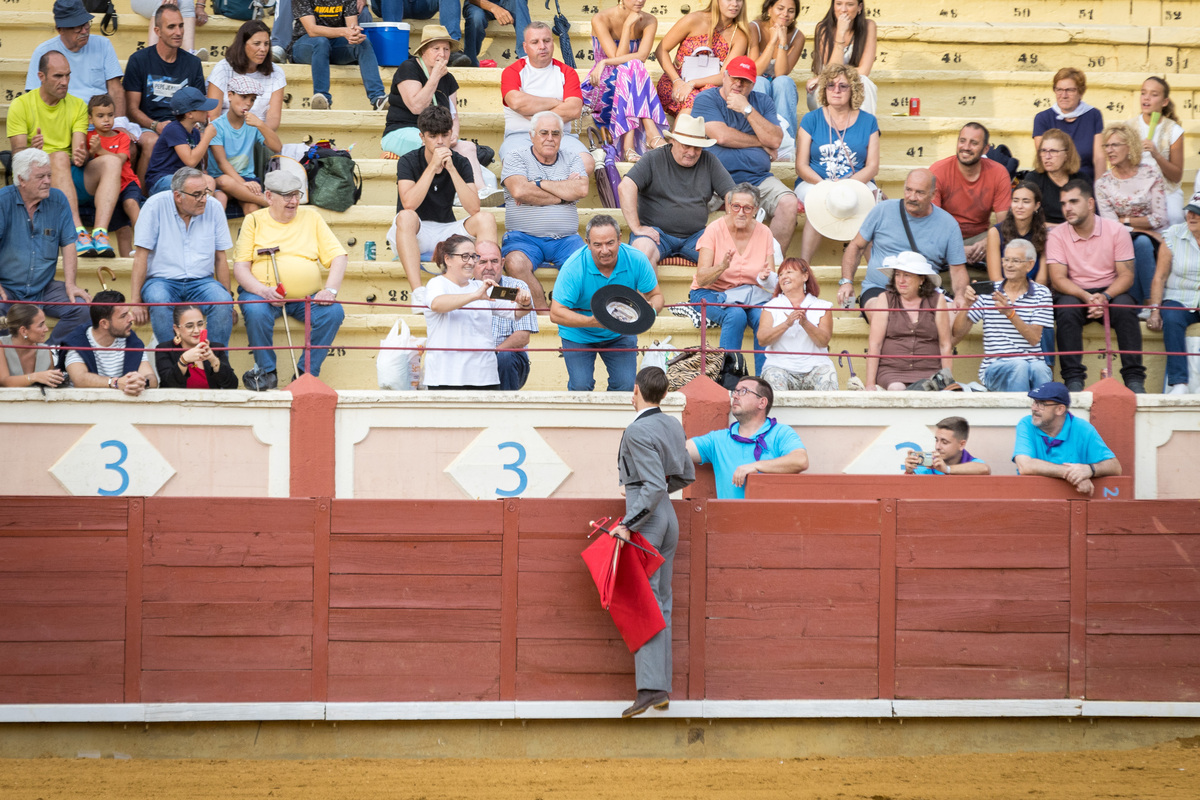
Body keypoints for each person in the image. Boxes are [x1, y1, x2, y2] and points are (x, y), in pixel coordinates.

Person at [611, 366, 695, 718]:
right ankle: (658, 688)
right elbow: (683, 475)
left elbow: (654, 485)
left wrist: (628, 522)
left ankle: (649, 689)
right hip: (668, 518)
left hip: (646, 519)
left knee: (644, 603)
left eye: (632, 392)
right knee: (660, 602)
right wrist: (654, 497)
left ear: (638, 391)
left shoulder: (637, 430)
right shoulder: (672, 424)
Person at [232, 170, 347, 389]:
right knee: (255, 310)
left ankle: (306, 374)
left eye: (296, 194)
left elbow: (339, 256)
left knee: (333, 312)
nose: (294, 201)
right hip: (263, 294)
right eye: (287, 196)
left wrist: (330, 290)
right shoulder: (253, 221)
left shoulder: (311, 217)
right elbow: (241, 268)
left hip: (306, 297)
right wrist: (263, 291)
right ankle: (266, 372)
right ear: (269, 197)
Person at [8, 51, 123, 258]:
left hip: (71, 176)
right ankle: (77, 232)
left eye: (68, 75)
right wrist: (32, 151)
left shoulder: (78, 104)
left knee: (112, 162)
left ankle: (100, 234)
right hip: (39, 179)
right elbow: (16, 154)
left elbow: (79, 148)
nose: (65, 81)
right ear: (41, 77)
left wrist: (82, 155)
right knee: (59, 157)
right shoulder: (21, 104)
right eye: (58, 76)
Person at [388, 106, 497, 306]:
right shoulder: (408, 161)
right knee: (406, 216)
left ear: (451, 136)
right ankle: (418, 292)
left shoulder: (460, 162)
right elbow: (409, 203)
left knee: (486, 219)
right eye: (433, 136)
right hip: (413, 232)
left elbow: (474, 208)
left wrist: (452, 169)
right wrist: (432, 167)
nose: (439, 141)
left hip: (445, 231)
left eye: (444, 135)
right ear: (422, 137)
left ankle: (481, 287)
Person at [1046, 179, 1145, 393]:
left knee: (1125, 308)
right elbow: (1058, 279)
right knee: (1066, 308)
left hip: (1111, 291)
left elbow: (1127, 275)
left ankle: (1135, 380)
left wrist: (1105, 296)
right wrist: (1086, 296)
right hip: (1075, 291)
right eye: (1063, 204)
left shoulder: (1116, 231)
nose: (1067, 208)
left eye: (1073, 201)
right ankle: (1073, 382)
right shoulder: (1056, 235)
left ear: (1090, 203)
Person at [693, 57, 798, 253]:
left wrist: (747, 109)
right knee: (684, 201)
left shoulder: (762, 101)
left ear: (753, 83)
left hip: (757, 179)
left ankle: (769, 265)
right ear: (724, 76)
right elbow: (722, 136)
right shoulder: (706, 99)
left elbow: (775, 140)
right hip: (714, 181)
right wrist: (760, 141)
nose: (738, 84)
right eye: (734, 78)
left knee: (789, 203)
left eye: (745, 80)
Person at [550, 215, 663, 392]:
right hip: (579, 334)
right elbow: (556, 312)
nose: (604, 250)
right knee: (581, 387)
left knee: (626, 387)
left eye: (610, 243)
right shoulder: (573, 267)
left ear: (620, 239)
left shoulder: (636, 259)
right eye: (597, 244)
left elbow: (656, 295)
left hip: (621, 332)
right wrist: (591, 322)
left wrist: (650, 312)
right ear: (587, 243)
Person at [381, 25, 493, 198]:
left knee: (468, 147)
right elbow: (417, 106)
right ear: (423, 51)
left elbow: (453, 116)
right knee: (438, 148)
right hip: (402, 131)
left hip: (437, 135)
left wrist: (453, 134)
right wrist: (434, 77)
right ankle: (453, 194)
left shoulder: (449, 79)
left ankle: (481, 191)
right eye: (436, 49)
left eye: (446, 49)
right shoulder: (409, 68)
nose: (442, 54)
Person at [131, 167, 235, 348]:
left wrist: (229, 302)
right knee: (159, 300)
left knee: (222, 302)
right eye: (197, 194)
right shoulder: (154, 206)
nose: (204, 199)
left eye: (206, 192)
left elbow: (221, 258)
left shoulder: (214, 207)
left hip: (202, 281)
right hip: (161, 281)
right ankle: (172, 365)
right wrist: (135, 302)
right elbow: (141, 256)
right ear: (178, 196)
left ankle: (217, 366)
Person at [838, 168, 968, 308]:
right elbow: (856, 246)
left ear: (933, 194)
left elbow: (957, 269)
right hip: (880, 290)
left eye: (919, 192)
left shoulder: (948, 224)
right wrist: (846, 282)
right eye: (908, 190)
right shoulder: (882, 210)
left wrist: (960, 296)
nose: (912, 197)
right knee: (883, 314)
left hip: (923, 293)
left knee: (953, 316)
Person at [500, 110, 589, 313]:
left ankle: (564, 309)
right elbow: (520, 190)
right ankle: (542, 312)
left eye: (555, 133)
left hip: (566, 239)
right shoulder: (515, 157)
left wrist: (538, 183)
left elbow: (581, 190)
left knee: (588, 262)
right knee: (514, 263)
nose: (550, 138)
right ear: (531, 135)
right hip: (524, 238)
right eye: (544, 133)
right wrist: (564, 194)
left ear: (562, 137)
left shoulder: (573, 158)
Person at [0, 149, 91, 346]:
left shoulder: (58, 199)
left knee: (83, 308)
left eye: (49, 175)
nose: (48, 181)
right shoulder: (2, 200)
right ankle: (9, 360)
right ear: (21, 179)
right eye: (40, 176)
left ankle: (48, 352)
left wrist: (70, 284)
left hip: (44, 287)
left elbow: (68, 243)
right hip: (7, 287)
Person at [619, 116, 734, 270]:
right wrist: (636, 227)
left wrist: (729, 224)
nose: (692, 152)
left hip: (696, 236)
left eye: (697, 147)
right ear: (673, 141)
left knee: (727, 255)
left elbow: (733, 195)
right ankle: (650, 295)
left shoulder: (709, 161)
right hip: (656, 235)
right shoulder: (654, 158)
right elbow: (625, 187)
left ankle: (703, 294)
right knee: (641, 253)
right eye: (686, 146)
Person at [794, 63, 879, 263]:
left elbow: (872, 166)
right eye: (831, 85)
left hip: (857, 181)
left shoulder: (868, 122)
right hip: (814, 181)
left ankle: (875, 272)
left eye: (843, 86)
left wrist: (847, 185)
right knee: (818, 201)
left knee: (867, 205)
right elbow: (801, 166)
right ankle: (804, 267)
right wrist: (824, 185)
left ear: (854, 90)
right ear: (824, 89)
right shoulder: (810, 119)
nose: (836, 90)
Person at [424, 235, 532, 390]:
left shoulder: (480, 287)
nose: (470, 262)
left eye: (473, 256)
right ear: (447, 259)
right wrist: (475, 296)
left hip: (484, 375)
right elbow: (437, 304)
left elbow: (516, 312)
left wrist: (525, 302)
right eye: (464, 256)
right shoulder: (437, 284)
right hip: (446, 375)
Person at [692, 183, 776, 374]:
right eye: (736, 206)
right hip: (710, 292)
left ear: (755, 210)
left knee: (764, 317)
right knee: (736, 315)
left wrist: (766, 277)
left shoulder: (765, 232)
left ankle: (764, 379)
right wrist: (721, 267)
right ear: (728, 207)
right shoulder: (714, 230)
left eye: (747, 208)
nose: (741, 212)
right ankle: (728, 377)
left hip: (750, 296)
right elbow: (702, 278)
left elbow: (772, 283)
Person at [953, 239, 1055, 392]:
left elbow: (1034, 338)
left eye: (1015, 260)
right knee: (1019, 365)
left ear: (1030, 265)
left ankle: (1042, 413)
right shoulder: (989, 291)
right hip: (995, 366)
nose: (1008, 265)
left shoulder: (1041, 293)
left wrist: (1010, 313)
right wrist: (967, 305)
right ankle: (1020, 414)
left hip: (1032, 362)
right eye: (1006, 259)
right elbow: (958, 332)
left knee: (1040, 368)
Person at [123, 5, 207, 184]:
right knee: (152, 142)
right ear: (157, 30)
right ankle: (143, 195)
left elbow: (199, 106)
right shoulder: (139, 60)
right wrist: (156, 125)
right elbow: (131, 109)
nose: (178, 32)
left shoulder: (192, 63)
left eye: (181, 25)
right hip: (148, 125)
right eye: (171, 27)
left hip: (184, 125)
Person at [686, 375, 807, 499]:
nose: (735, 396)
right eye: (735, 391)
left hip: (770, 516)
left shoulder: (780, 433)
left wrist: (756, 466)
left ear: (762, 402)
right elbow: (682, 450)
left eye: (743, 391)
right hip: (728, 517)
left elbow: (800, 461)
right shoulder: (718, 439)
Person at [584, 0, 667, 161]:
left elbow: (642, 56)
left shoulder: (650, 21)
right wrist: (627, 27)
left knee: (634, 66)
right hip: (602, 86)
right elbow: (619, 58)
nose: (640, 0)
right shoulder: (600, 18)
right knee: (632, 66)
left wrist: (605, 61)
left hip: (630, 83)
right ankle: (651, 134)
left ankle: (628, 147)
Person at [25, 0, 127, 132]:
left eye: (86, 24)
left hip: (100, 121)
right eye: (77, 27)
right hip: (63, 123)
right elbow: (33, 95)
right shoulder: (44, 52)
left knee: (128, 146)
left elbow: (115, 89)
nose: (84, 31)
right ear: (59, 29)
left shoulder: (103, 44)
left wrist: (119, 124)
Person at [499, 23, 592, 167]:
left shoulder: (567, 72)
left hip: (559, 136)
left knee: (586, 163)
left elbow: (574, 110)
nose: (542, 46)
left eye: (546, 41)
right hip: (520, 135)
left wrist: (533, 115)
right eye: (535, 42)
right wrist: (556, 102)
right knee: (514, 166)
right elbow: (517, 102)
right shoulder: (512, 71)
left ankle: (552, 189)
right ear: (525, 47)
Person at [1095, 123, 1168, 307]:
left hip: (1155, 238)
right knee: (1139, 242)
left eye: (1115, 145)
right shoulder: (1103, 183)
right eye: (1107, 146)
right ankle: (1149, 303)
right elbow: (1112, 226)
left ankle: (1142, 304)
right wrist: (1144, 230)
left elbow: (1160, 218)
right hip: (1122, 239)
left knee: (1141, 242)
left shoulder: (1151, 174)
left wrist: (1125, 220)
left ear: (1130, 147)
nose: (1110, 150)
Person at [864, 251, 953, 392]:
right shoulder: (885, 299)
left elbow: (945, 344)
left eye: (907, 275)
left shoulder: (937, 300)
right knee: (896, 389)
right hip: (892, 370)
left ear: (921, 279)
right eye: (897, 275)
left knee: (927, 389)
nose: (901, 280)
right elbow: (875, 344)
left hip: (929, 370)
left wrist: (947, 381)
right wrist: (869, 384)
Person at [1013, 381, 1121, 496]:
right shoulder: (1026, 423)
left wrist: (1090, 470)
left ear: (1060, 409)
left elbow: (1115, 467)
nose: (1034, 408)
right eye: (1034, 402)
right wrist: (1073, 474)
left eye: (1041, 404)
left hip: (1075, 503)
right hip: (1033, 499)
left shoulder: (1083, 428)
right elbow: (1025, 466)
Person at [930, 122, 1012, 266]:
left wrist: (988, 241)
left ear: (985, 148)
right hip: (944, 237)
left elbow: (1003, 224)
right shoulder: (938, 171)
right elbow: (930, 223)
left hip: (979, 238)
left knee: (1011, 243)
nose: (966, 147)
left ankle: (997, 285)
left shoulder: (998, 173)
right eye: (962, 141)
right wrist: (957, 249)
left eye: (974, 143)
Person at [654, 0, 750, 118]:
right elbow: (661, 50)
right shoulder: (694, 20)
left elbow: (724, 75)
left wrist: (692, 84)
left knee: (702, 98)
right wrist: (676, 81)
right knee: (698, 100)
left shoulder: (739, 36)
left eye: (739, 0)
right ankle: (678, 135)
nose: (735, 4)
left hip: (710, 87)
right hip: (675, 83)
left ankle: (676, 136)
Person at [289, 0, 387, 111]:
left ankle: (378, 98)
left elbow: (351, 27)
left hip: (334, 46)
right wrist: (344, 32)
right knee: (321, 42)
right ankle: (321, 98)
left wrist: (354, 35)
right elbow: (312, 30)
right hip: (305, 46)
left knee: (362, 43)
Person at [1147, 190, 1200, 394]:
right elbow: (1159, 277)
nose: (1191, 216)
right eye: (1189, 212)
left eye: (1197, 213)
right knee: (1171, 317)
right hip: (1178, 297)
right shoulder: (1173, 235)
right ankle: (1180, 383)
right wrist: (1154, 310)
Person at [757, 257, 838, 390]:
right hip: (779, 367)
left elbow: (823, 341)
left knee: (828, 374)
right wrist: (786, 324)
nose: (783, 277)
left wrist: (805, 323)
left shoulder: (822, 306)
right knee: (773, 376)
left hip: (815, 367)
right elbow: (762, 340)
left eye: (789, 272)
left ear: (805, 276)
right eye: (781, 274)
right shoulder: (770, 306)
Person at [59, 289, 158, 395]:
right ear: (104, 323)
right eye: (123, 316)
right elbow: (80, 379)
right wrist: (115, 382)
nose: (131, 318)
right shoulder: (78, 341)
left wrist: (142, 382)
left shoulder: (131, 339)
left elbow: (152, 378)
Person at [208, 76, 283, 215]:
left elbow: (277, 147)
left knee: (252, 208)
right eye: (243, 97)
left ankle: (250, 236)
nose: (248, 103)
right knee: (225, 181)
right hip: (221, 178)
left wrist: (261, 124)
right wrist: (242, 183)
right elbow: (221, 162)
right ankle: (271, 203)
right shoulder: (217, 126)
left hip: (247, 179)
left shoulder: (253, 124)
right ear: (230, 95)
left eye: (252, 99)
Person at [476, 239, 538, 390]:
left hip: (509, 360)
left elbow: (523, 337)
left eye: (494, 261)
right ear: (473, 263)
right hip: (474, 358)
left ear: (503, 263)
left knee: (505, 356)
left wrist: (491, 355)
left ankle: (507, 410)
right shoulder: (465, 289)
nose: (489, 267)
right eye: (483, 261)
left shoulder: (518, 287)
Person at [206, 20, 287, 132]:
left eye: (266, 44)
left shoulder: (277, 72)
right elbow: (213, 115)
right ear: (243, 45)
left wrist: (252, 137)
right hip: (224, 134)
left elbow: (273, 120)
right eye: (257, 43)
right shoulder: (222, 68)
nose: (263, 49)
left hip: (259, 136)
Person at [85, 94, 143, 251]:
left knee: (131, 204)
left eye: (110, 115)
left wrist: (99, 150)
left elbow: (120, 160)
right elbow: (87, 161)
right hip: (108, 189)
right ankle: (125, 260)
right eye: (100, 116)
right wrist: (92, 151)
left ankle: (143, 242)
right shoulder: (88, 137)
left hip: (127, 182)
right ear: (90, 119)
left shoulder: (122, 137)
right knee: (122, 229)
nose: (106, 120)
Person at [1127, 76, 1185, 227]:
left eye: (1154, 94)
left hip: (1166, 191)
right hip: (1136, 190)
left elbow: (1177, 176)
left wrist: (1156, 155)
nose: (1146, 98)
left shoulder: (1174, 131)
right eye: (1143, 93)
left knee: (1175, 217)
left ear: (1164, 102)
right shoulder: (1128, 128)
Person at [143, 86, 220, 197]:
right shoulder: (173, 129)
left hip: (184, 178)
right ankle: (198, 213)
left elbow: (197, 165)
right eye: (202, 108)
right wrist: (207, 136)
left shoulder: (195, 133)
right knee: (207, 182)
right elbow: (190, 160)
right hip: (162, 180)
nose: (207, 111)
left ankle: (198, 212)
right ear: (189, 114)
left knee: (220, 195)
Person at [1032, 67, 1105, 183]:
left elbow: (1099, 158)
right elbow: (1045, 159)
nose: (1064, 95)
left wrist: (1100, 190)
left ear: (1081, 92)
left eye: (1070, 90)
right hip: (1054, 184)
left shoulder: (1093, 115)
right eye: (1059, 89)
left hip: (1086, 183)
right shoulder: (1042, 118)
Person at [807, 0, 877, 115]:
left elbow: (864, 71)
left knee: (864, 81)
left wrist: (837, 77)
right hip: (827, 87)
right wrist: (840, 33)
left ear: (859, 7)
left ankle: (864, 130)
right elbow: (831, 71)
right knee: (830, 85)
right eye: (839, 4)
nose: (843, 9)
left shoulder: (869, 26)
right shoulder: (823, 28)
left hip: (853, 87)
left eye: (849, 4)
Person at [748, 0, 802, 146]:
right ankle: (759, 139)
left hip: (780, 91)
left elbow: (781, 72)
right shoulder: (754, 27)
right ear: (769, 9)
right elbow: (755, 71)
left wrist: (782, 42)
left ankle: (786, 144)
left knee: (784, 81)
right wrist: (772, 41)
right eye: (780, 8)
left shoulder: (798, 36)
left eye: (791, 11)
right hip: (757, 86)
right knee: (760, 81)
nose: (785, 14)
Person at [154, 305, 238, 389]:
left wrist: (213, 360)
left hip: (210, 401)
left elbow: (232, 385)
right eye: (189, 326)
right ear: (177, 329)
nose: (197, 330)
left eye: (200, 324)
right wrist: (183, 361)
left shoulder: (216, 348)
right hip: (178, 401)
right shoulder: (164, 349)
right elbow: (168, 384)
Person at [987, 182, 1048, 284]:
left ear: (1037, 206)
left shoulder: (1043, 233)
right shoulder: (995, 233)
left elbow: (1042, 279)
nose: (1019, 206)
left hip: (1034, 292)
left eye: (1026, 201)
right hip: (1003, 291)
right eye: (1015, 201)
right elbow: (995, 278)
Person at [1024, 127, 1084, 228]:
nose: (1047, 156)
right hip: (1042, 236)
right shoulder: (1033, 179)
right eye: (1043, 151)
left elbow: (1089, 218)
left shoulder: (1081, 180)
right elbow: (1025, 219)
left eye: (1053, 151)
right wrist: (1062, 229)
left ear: (1066, 154)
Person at [0, 304, 67, 389]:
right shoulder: (1, 345)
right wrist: (35, 377)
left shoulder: (46, 351)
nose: (46, 329)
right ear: (24, 331)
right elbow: (3, 381)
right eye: (41, 325)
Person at [903, 417, 989, 476]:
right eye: (937, 440)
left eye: (944, 442)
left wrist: (946, 469)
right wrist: (909, 472)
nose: (937, 446)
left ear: (961, 444)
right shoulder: (927, 467)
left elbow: (984, 469)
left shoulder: (974, 464)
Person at [464, 0, 531, 68]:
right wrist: (495, 8)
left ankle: (527, 57)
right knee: (476, 18)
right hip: (478, 4)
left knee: (519, 1)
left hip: (509, 2)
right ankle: (470, 60)